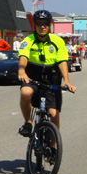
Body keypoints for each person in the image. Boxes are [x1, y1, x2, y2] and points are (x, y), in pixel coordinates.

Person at [17, 10, 76, 138]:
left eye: (45, 24)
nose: (42, 26)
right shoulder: (28, 40)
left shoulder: (58, 41)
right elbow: (23, 57)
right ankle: (28, 122)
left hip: (51, 78)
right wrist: (22, 70)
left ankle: (53, 147)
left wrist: (66, 80)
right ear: (35, 25)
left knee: (54, 115)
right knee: (25, 92)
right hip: (32, 75)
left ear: (50, 26)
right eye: (39, 24)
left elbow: (62, 62)